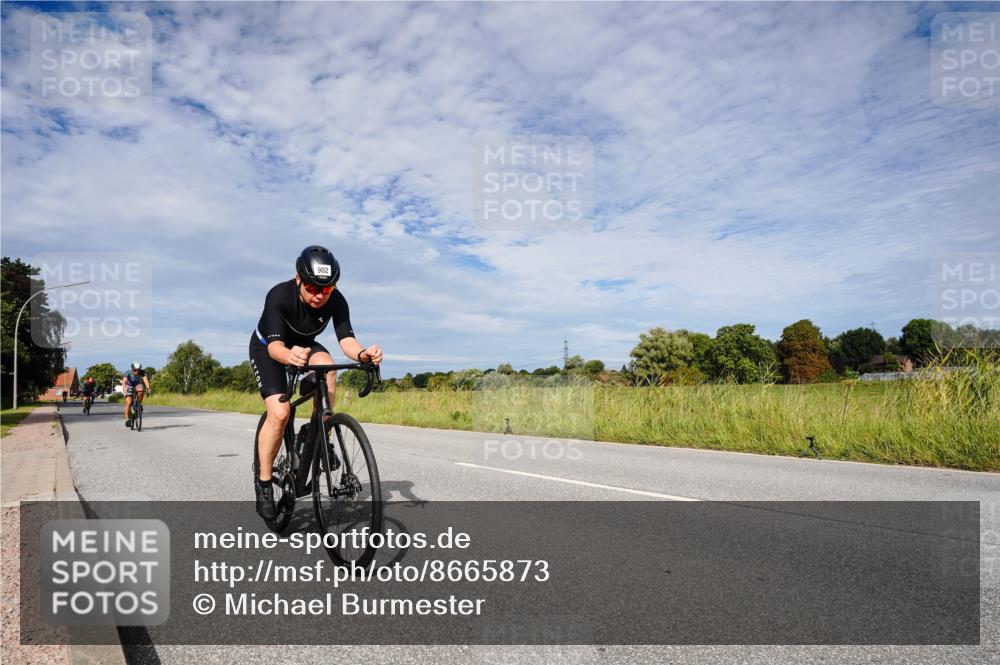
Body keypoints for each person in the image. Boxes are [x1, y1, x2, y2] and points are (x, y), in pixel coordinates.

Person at [250, 245, 382, 519]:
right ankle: (263, 482)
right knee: (281, 412)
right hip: (269, 348)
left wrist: (362, 353)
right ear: (299, 279)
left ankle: (318, 432)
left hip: (305, 346)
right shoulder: (279, 295)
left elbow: (346, 339)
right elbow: (276, 348)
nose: (320, 295)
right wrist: (288, 355)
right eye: (313, 288)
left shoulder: (336, 299)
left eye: (327, 288)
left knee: (329, 368)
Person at [121, 362, 151, 427]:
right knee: (128, 403)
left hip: (137, 385)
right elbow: (124, 382)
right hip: (128, 386)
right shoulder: (128, 372)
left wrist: (148, 388)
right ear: (132, 369)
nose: (136, 372)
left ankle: (138, 404)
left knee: (141, 390)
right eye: (135, 370)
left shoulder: (142, 372)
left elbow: (145, 381)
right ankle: (127, 419)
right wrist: (125, 390)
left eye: (138, 370)